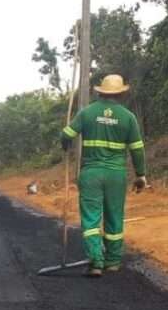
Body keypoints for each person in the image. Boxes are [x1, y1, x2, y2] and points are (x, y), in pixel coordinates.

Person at [60, 74, 150, 277]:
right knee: (114, 217)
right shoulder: (128, 117)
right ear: (121, 94)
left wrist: (65, 144)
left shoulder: (87, 113)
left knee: (91, 218)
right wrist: (141, 175)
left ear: (100, 92)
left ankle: (95, 261)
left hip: (91, 173)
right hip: (116, 175)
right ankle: (112, 261)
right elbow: (137, 149)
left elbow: (66, 134)